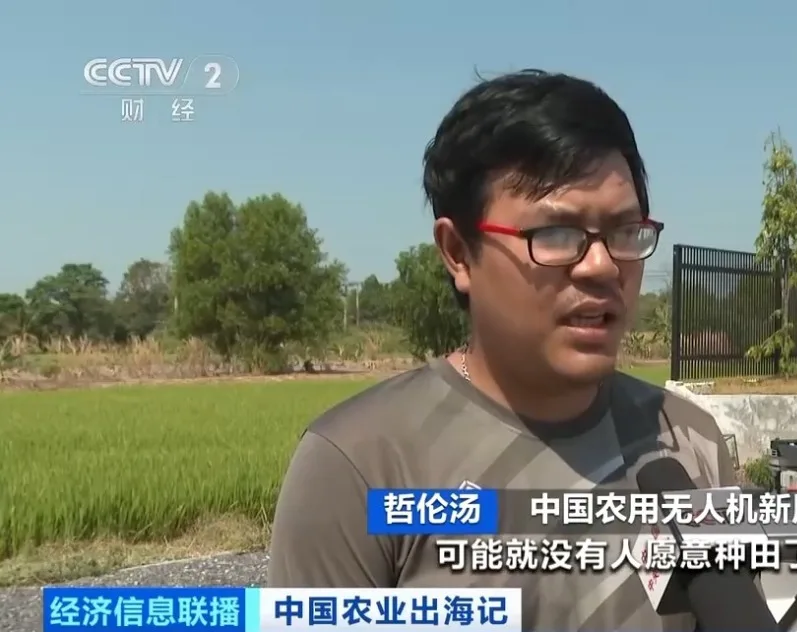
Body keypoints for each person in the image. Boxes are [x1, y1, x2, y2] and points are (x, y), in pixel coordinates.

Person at [266, 69, 740, 631]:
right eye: (556, 235)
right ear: (458, 252)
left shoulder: (690, 446)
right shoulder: (362, 468)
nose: (601, 266)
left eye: (624, 232)